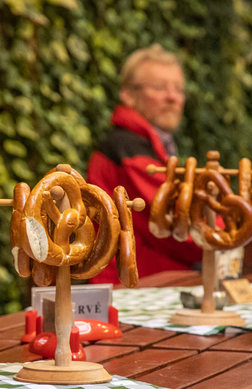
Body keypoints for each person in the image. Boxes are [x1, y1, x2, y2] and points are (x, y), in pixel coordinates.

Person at [86, 44, 202, 283]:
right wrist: (226, 235)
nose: (172, 97)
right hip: (133, 289)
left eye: (179, 89)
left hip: (156, 281)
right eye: (159, 88)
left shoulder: (152, 146)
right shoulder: (128, 150)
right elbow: (176, 226)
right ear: (128, 95)